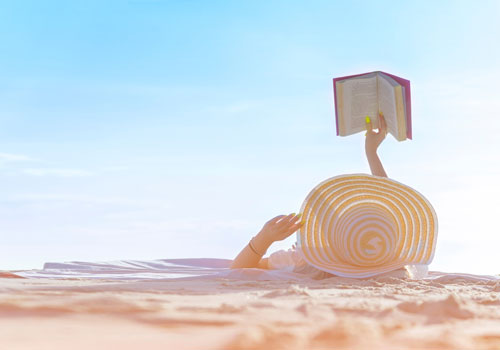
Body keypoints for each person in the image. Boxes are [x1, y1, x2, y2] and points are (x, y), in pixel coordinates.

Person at [229, 112, 388, 270]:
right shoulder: (384, 257)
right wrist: (372, 153)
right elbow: (387, 209)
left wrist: (263, 239)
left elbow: (237, 271)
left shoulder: (304, 259)